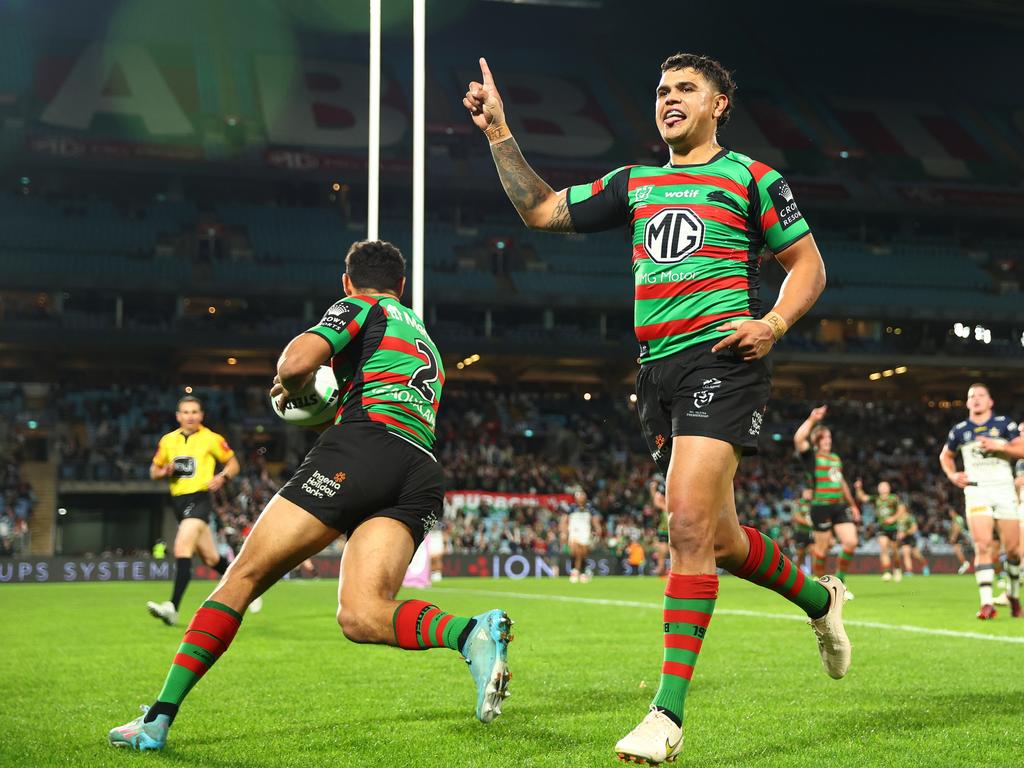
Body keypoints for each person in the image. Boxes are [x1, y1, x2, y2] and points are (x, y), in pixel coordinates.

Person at [465, 52, 849, 764]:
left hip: (723, 361)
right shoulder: (634, 183)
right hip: (656, 375)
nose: (669, 99)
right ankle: (821, 603)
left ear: (719, 104)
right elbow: (542, 209)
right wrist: (499, 134)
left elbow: (809, 266)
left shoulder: (753, 178)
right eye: (662, 90)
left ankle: (665, 716)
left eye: (686, 89)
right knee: (722, 540)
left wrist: (774, 325)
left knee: (688, 524)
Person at [109, 241, 513, 752]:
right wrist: (321, 403)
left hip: (362, 450)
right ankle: (468, 633)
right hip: (420, 470)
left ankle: (158, 718)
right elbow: (376, 394)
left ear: (348, 283)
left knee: (243, 578)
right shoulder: (423, 337)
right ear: (403, 286)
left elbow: (297, 362)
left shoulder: (362, 305)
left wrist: (288, 384)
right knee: (361, 614)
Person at [146, 396, 242, 626]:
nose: (190, 416)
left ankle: (172, 607)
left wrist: (222, 477)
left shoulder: (212, 439)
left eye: (195, 412)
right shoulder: (168, 441)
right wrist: (164, 471)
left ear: (201, 415)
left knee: (182, 547)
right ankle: (249, 587)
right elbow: (153, 471)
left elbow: (234, 464)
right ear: (178, 416)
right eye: (186, 412)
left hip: (200, 498)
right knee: (210, 558)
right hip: (178, 502)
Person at [938, 383, 1022, 619]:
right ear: (967, 403)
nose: (976, 399)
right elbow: (946, 455)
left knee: (1014, 551)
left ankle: (1013, 594)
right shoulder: (960, 430)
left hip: (1004, 489)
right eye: (971, 396)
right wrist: (953, 475)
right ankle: (987, 604)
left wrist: (1000, 445)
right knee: (982, 545)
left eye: (981, 395)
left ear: (990, 401)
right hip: (977, 490)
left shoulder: (1004, 424)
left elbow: (1022, 448)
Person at [794, 406, 860, 591]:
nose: (828, 441)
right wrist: (812, 419)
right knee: (821, 550)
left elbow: (842, 483)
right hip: (820, 507)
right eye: (825, 438)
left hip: (839, 505)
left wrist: (853, 505)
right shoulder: (811, 457)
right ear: (816, 440)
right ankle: (820, 584)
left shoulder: (835, 459)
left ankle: (840, 581)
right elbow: (798, 439)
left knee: (851, 542)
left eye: (830, 438)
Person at [854, 479, 900, 581]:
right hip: (882, 527)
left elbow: (902, 510)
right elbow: (863, 497)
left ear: (889, 488)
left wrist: (893, 518)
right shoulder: (876, 499)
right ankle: (887, 572)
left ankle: (897, 568)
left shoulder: (894, 498)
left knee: (895, 551)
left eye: (885, 486)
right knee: (883, 547)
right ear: (878, 489)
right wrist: (858, 488)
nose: (883, 488)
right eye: (881, 486)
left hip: (893, 528)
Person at [561, 488, 601, 583]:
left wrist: (598, 529)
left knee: (582, 553)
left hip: (585, 532)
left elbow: (595, 520)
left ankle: (580, 572)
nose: (581, 498)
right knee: (575, 550)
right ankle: (576, 571)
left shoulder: (589, 507)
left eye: (582, 496)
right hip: (574, 531)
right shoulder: (571, 508)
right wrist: (564, 532)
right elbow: (564, 520)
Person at [895, 506, 929, 577]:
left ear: (904, 509)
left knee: (916, 555)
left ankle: (925, 565)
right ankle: (909, 571)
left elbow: (914, 529)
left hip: (910, 538)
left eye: (900, 509)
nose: (898, 510)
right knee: (906, 552)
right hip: (903, 540)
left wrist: (905, 533)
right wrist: (898, 534)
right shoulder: (897, 518)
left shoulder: (909, 518)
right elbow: (898, 529)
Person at [650, 473, 670, 577]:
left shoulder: (662, 486)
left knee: (663, 543)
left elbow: (657, 502)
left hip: (667, 517)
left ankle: (661, 569)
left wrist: (653, 491)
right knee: (664, 543)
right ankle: (662, 569)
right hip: (670, 516)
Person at [791, 488, 814, 574]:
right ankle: (796, 573)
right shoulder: (799, 503)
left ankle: (817, 575)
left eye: (811, 493)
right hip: (801, 532)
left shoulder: (814, 503)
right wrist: (809, 523)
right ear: (803, 493)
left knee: (814, 552)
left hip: (811, 533)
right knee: (800, 554)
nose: (809, 494)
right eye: (807, 492)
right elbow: (797, 517)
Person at [947, 507, 972, 575]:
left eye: (950, 512)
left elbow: (957, 528)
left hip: (959, 536)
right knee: (957, 550)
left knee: (957, 549)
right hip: (960, 536)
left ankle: (965, 563)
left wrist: (953, 537)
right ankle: (964, 564)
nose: (950, 514)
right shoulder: (956, 518)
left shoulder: (957, 518)